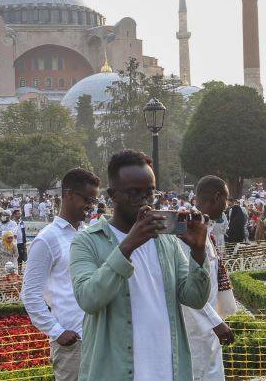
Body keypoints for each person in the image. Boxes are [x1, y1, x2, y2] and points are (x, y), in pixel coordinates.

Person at [70, 150, 210, 381]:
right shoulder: (87, 241)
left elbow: (194, 298)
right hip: (115, 372)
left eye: (149, 192)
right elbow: (88, 299)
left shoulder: (167, 241)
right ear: (112, 194)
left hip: (168, 370)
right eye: (133, 193)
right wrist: (128, 246)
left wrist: (197, 252)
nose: (144, 201)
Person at [22, 168, 100, 381]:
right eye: (87, 199)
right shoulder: (47, 239)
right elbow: (30, 295)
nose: (91, 206)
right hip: (72, 342)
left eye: (94, 200)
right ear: (69, 194)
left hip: (99, 338)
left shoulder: (87, 235)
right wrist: (57, 332)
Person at [181, 176, 236, 381]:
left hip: (209, 326)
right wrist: (215, 321)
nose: (226, 205)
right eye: (226, 199)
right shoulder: (186, 231)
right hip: (194, 327)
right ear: (217, 197)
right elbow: (186, 285)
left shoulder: (206, 228)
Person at [12, 209, 28, 274]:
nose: (19, 215)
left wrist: (24, 242)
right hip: (13, 242)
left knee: (20, 257)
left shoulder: (21, 222)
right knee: (14, 256)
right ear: (14, 215)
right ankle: (13, 271)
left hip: (21, 242)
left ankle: (19, 271)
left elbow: (23, 232)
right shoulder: (12, 223)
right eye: (17, 214)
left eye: (19, 214)